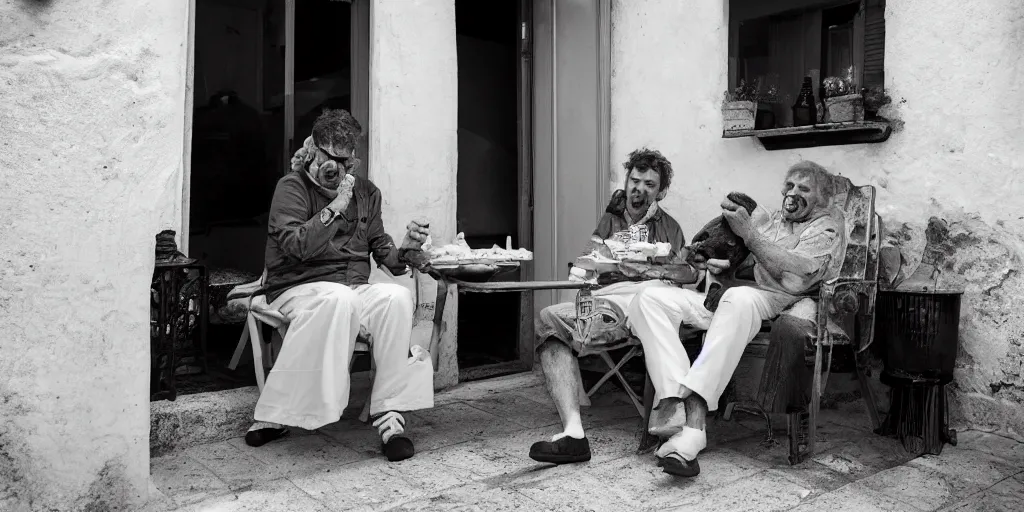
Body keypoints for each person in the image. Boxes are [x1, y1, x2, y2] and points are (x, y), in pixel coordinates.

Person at [628, 160, 847, 477]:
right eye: (790, 185)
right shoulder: (773, 222)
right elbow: (747, 260)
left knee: (739, 298)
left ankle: (694, 420)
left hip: (766, 302)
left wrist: (749, 234)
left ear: (822, 198)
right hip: (724, 299)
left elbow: (797, 277)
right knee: (648, 299)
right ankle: (674, 402)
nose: (792, 192)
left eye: (804, 188)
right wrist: (724, 267)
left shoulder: (824, 229)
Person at [244, 108, 434, 463]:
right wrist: (335, 206)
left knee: (396, 297)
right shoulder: (291, 187)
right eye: (328, 157)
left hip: (350, 290)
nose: (336, 168)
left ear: (353, 159)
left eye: (344, 160)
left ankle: (389, 414)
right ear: (313, 151)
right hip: (297, 288)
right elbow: (296, 245)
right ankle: (277, 414)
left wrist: (407, 249)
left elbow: (387, 258)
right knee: (339, 298)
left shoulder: (367, 193)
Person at [528, 148, 692, 464]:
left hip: (638, 306)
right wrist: (595, 259)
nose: (639, 188)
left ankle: (668, 423)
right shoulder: (611, 219)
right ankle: (573, 432)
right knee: (549, 318)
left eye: (649, 183)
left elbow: (682, 276)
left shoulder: (669, 228)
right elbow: (583, 266)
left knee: (567, 322)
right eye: (635, 180)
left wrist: (647, 268)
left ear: (661, 191)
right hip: (603, 300)